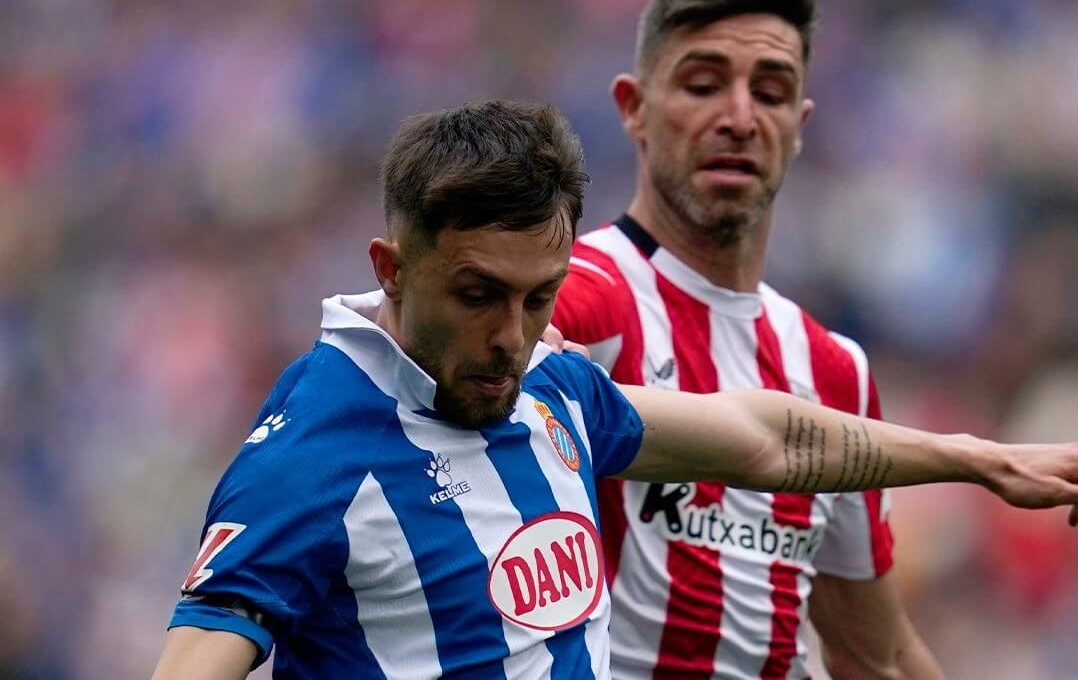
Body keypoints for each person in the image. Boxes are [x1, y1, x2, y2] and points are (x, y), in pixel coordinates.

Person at [151, 99, 1078, 680]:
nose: (513, 335)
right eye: (479, 296)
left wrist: (976, 460)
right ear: (393, 268)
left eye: (539, 297)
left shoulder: (550, 383)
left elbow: (766, 442)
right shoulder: (308, 460)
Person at [542, 0, 981, 678]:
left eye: (770, 92)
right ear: (634, 107)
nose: (740, 118)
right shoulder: (582, 298)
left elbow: (877, 656)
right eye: (703, 85)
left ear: (799, 124)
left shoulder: (834, 369)